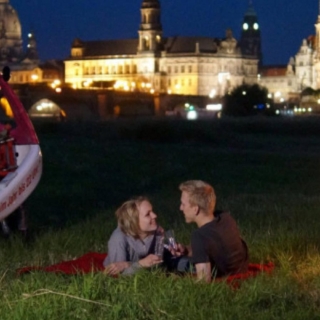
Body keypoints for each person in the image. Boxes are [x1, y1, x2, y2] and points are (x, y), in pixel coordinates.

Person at [172, 180, 248, 283]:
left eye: (183, 204)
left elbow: (204, 280)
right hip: (241, 269)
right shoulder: (225, 218)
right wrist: (186, 250)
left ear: (195, 209)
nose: (181, 208)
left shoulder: (199, 236)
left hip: (225, 277)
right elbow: (210, 247)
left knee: (175, 264)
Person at [103, 196, 164, 275]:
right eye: (148, 214)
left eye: (152, 211)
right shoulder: (118, 238)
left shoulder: (157, 231)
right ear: (134, 221)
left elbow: (158, 262)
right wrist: (141, 264)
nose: (155, 215)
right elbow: (118, 274)